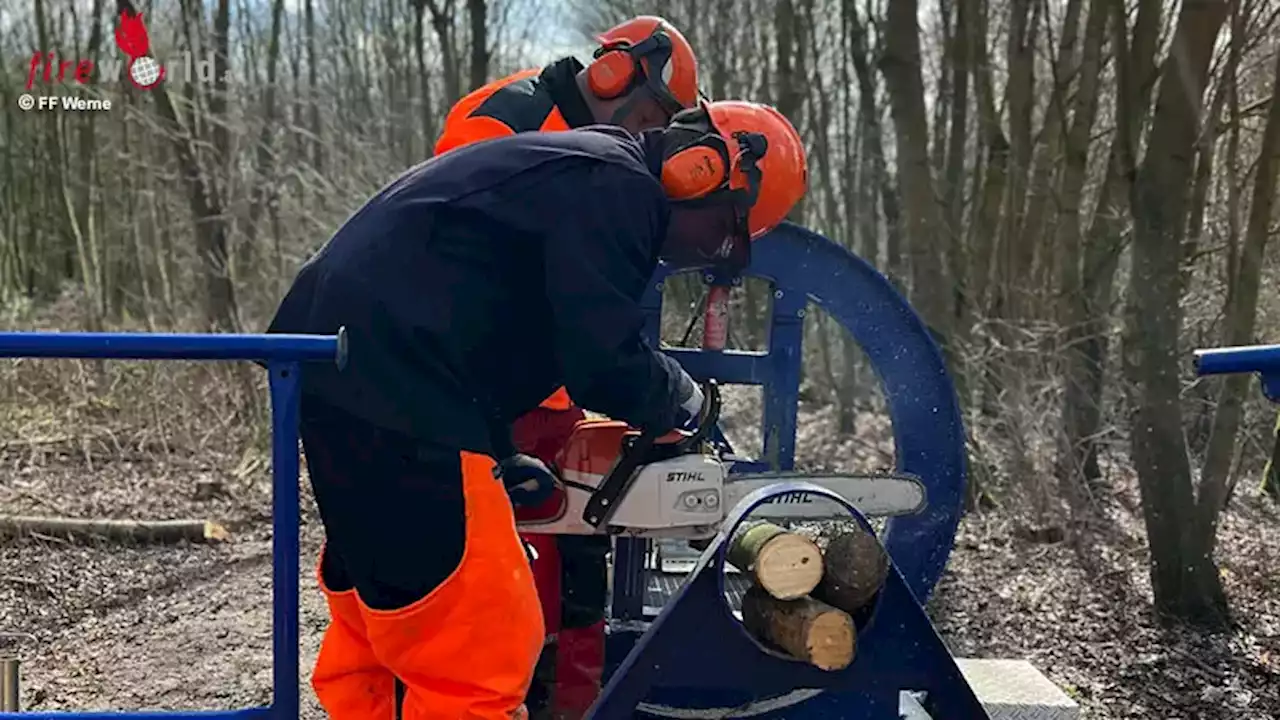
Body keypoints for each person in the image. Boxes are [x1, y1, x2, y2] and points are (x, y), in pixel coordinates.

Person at [268, 100, 807, 720]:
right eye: (723, 237)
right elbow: (599, 357)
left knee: (387, 621)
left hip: (338, 363)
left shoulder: (581, 168)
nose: (706, 255)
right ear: (703, 170)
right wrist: (680, 399)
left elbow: (483, 308)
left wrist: (498, 451)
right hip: (403, 382)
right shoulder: (621, 188)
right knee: (479, 649)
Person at [432, 16, 702, 718]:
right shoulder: (506, 119)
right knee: (509, 578)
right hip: (487, 389)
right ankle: (518, 698)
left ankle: (578, 708)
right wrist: (617, 369)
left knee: (580, 557)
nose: (650, 131)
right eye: (650, 114)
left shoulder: (608, 156)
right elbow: (488, 274)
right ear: (617, 75)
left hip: (553, 395)